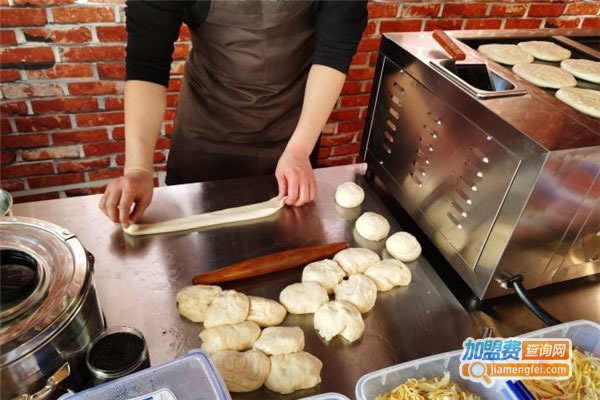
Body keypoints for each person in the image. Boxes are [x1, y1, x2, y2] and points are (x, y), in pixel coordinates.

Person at [99, 0, 367, 227]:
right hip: (207, 127)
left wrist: (299, 148)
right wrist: (138, 168)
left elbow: (335, 51)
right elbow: (148, 63)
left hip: (294, 128)